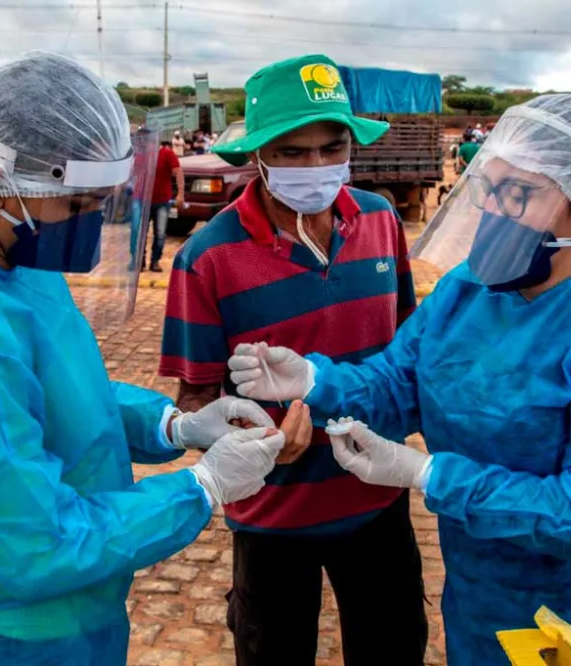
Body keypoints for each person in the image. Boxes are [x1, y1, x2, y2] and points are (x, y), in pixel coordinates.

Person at [227, 94, 571, 666]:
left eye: (520, 195)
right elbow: (398, 384)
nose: (494, 211)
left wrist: (431, 473)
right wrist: (316, 379)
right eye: (489, 188)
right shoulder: (469, 291)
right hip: (481, 607)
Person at [0, 50, 286, 666]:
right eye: (75, 205)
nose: (90, 223)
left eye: (100, 202)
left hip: (69, 619)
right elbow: (33, 543)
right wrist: (200, 487)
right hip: (0, 634)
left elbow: (57, 389)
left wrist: (168, 426)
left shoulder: (9, 261)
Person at [160, 54, 426, 666]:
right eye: (292, 152)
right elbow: (195, 400)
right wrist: (259, 436)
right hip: (272, 515)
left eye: (332, 148)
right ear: (258, 156)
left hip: (378, 496)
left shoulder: (382, 221)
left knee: (394, 649)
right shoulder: (206, 257)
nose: (316, 167)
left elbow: (407, 349)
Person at [146, 138, 184, 272]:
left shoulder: (166, 154)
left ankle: (155, 261)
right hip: (142, 200)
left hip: (162, 200)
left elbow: (178, 172)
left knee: (160, 233)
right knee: (139, 234)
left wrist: (180, 194)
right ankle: (139, 261)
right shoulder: (140, 154)